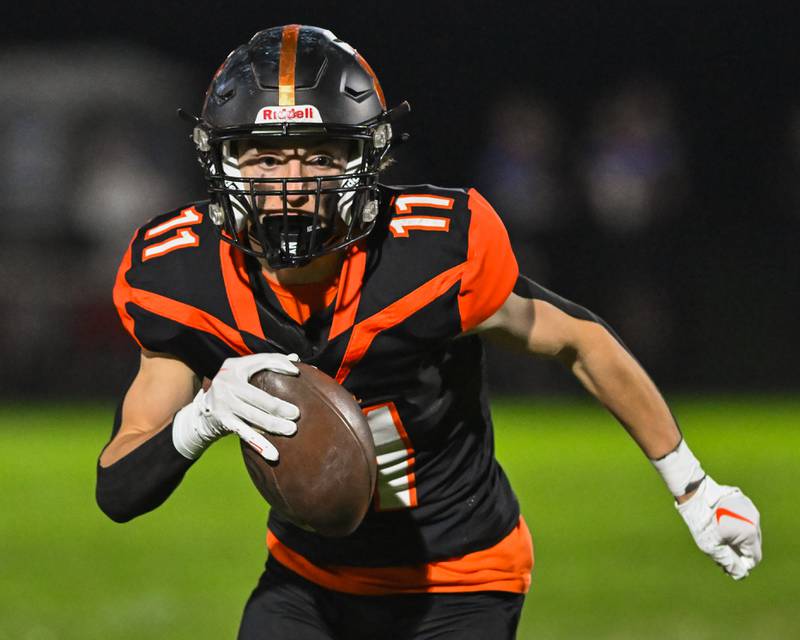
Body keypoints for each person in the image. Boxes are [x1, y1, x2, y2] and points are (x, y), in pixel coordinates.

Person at [96, 25, 762, 640]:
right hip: (308, 579)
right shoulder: (179, 275)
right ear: (222, 162)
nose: (292, 186)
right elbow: (118, 489)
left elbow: (577, 341)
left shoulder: (430, 255)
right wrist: (202, 419)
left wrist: (695, 488)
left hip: (461, 578)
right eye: (266, 160)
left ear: (366, 159)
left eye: (320, 156)